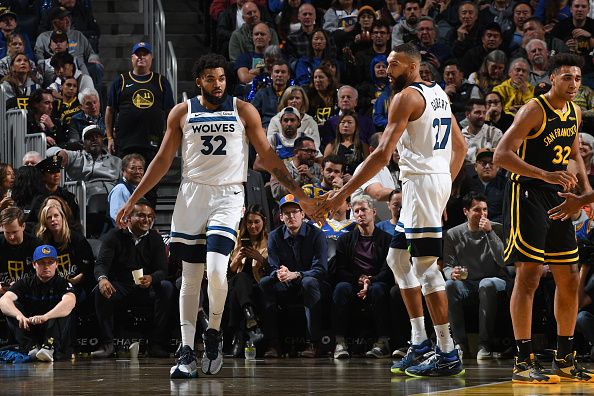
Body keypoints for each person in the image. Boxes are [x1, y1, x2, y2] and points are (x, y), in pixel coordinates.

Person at [114, 53, 318, 379]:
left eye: (221, 78)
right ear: (199, 81)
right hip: (192, 194)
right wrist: (133, 200)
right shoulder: (182, 111)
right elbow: (162, 161)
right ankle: (185, 349)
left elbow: (268, 155)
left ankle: (214, 332)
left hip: (228, 194)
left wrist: (303, 196)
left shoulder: (243, 109)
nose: (217, 84)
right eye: (210, 78)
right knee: (191, 278)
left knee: (218, 270)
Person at [318, 43, 467, 377]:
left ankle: (447, 349)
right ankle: (419, 342)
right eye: (387, 64)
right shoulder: (438, 93)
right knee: (397, 260)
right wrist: (443, 186)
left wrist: (341, 192)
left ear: (412, 67)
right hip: (426, 184)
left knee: (427, 270)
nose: (387, 70)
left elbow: (382, 154)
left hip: (423, 184)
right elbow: (461, 146)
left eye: (394, 65)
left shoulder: (406, 97)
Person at [494, 53, 594, 383]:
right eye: (567, 77)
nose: (573, 84)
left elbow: (574, 153)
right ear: (552, 78)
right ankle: (523, 360)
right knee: (530, 276)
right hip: (526, 193)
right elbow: (501, 155)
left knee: (569, 277)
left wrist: (584, 190)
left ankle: (564, 357)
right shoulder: (534, 109)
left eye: (578, 79)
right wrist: (545, 174)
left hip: (558, 197)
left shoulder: (576, 112)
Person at [92, 199, 175, 358]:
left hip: (146, 286)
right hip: (120, 285)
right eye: (142, 216)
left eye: (150, 216)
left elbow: (163, 271)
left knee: (166, 288)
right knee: (100, 290)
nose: (147, 220)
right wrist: (103, 279)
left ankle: (156, 343)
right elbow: (101, 264)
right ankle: (107, 343)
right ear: (128, 218)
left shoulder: (155, 238)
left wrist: (151, 278)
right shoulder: (113, 236)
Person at [259, 194, 328, 358]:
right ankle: (273, 343)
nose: (291, 216)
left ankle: (313, 342)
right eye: (287, 213)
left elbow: (320, 269)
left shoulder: (316, 234)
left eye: (295, 212)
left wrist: (296, 274)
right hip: (287, 283)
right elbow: (272, 266)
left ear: (303, 214)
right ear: (281, 217)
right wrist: (279, 273)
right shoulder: (275, 236)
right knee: (265, 283)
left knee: (309, 282)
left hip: (312, 283)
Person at [443, 191, 509, 360]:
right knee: (450, 285)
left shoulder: (497, 228)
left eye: (485, 209)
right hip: (469, 282)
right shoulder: (453, 234)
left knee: (486, 284)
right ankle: (460, 344)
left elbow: (503, 261)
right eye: (477, 210)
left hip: (495, 279)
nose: (483, 214)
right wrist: (452, 273)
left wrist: (490, 233)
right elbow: (447, 267)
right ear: (466, 211)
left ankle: (484, 345)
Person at [332, 195, 393, 359]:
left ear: (373, 212)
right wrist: (359, 279)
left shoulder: (387, 239)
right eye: (356, 211)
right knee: (340, 288)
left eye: (364, 210)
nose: (360, 214)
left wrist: (370, 281)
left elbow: (388, 270)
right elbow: (341, 269)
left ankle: (382, 342)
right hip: (354, 282)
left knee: (379, 290)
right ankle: (340, 342)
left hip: (377, 282)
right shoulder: (345, 239)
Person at [0, 244, 76, 361]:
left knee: (63, 310)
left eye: (50, 262)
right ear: (34, 265)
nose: (46, 266)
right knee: (13, 307)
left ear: (56, 264)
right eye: (41, 262)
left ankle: (49, 347)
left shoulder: (63, 283)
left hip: (52, 331)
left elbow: (70, 302)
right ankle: (31, 348)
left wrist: (46, 316)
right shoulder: (24, 283)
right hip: (30, 329)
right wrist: (19, 315)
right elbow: (4, 300)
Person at [105, 42, 175, 164]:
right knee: (126, 178)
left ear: (151, 58)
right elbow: (110, 111)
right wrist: (110, 138)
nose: (141, 57)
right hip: (126, 142)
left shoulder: (161, 81)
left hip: (152, 141)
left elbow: (171, 112)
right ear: (132, 58)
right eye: (137, 54)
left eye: (145, 54)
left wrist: (169, 138)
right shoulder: (120, 81)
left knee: (151, 180)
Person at [228, 205, 267, 357]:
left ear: (263, 222)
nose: (252, 226)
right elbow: (229, 272)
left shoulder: (270, 239)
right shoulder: (236, 240)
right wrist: (237, 260)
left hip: (257, 284)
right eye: (249, 222)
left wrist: (260, 259)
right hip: (237, 282)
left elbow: (273, 269)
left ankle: (239, 338)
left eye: (256, 222)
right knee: (240, 279)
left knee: (236, 294)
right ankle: (250, 319)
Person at [48, 125, 122, 198]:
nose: (94, 139)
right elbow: (48, 152)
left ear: (102, 140)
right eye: (89, 137)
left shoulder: (116, 161)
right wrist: (58, 152)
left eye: (97, 136)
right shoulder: (76, 157)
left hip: (113, 199)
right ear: (83, 144)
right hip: (85, 199)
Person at [0, 207, 42, 292]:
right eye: (7, 233)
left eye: (15, 232)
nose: (11, 237)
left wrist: (19, 285)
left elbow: (44, 275)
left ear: (23, 226)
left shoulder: (36, 246)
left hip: (28, 293)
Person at [268, 135, 322, 201]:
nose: (313, 155)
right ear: (296, 152)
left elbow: (325, 189)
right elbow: (276, 193)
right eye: (309, 151)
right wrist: (298, 180)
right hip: (290, 208)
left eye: (314, 152)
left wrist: (311, 177)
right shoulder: (280, 168)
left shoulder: (318, 168)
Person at [461, 98, 503, 163]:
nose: (481, 116)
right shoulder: (460, 136)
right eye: (477, 112)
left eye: (484, 112)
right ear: (467, 114)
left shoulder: (495, 132)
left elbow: (502, 157)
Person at [108, 154, 145, 224]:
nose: (137, 172)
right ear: (123, 170)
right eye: (133, 168)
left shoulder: (137, 189)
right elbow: (118, 220)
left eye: (140, 168)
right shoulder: (120, 189)